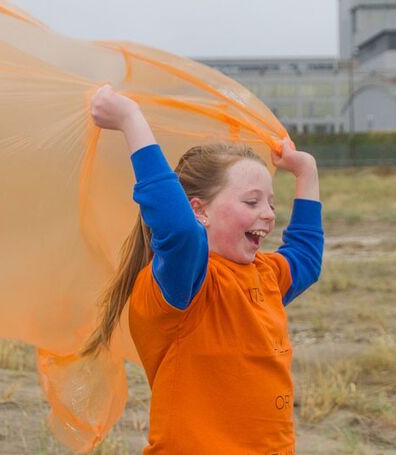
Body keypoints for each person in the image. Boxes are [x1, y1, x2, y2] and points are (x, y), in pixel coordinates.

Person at [84, 85, 323, 454]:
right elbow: (177, 230)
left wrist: (306, 171)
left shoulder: (265, 274)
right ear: (200, 210)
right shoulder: (185, 283)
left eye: (271, 203)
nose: (269, 214)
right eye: (251, 201)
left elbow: (305, 256)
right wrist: (131, 120)